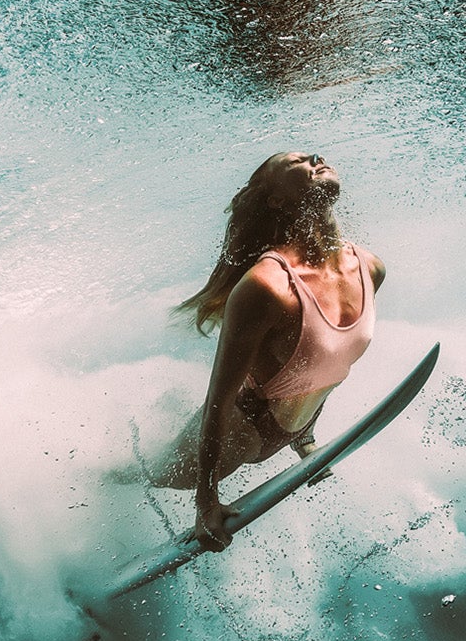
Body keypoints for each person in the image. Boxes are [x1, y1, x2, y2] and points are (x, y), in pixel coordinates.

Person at [155, 151, 386, 550]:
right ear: (276, 199)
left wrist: (304, 439)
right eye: (296, 160)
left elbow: (326, 364)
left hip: (288, 429)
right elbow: (218, 400)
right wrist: (206, 504)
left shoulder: (369, 268)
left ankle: (302, 437)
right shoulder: (266, 287)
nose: (316, 156)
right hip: (234, 437)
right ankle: (80, 479)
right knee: (147, 476)